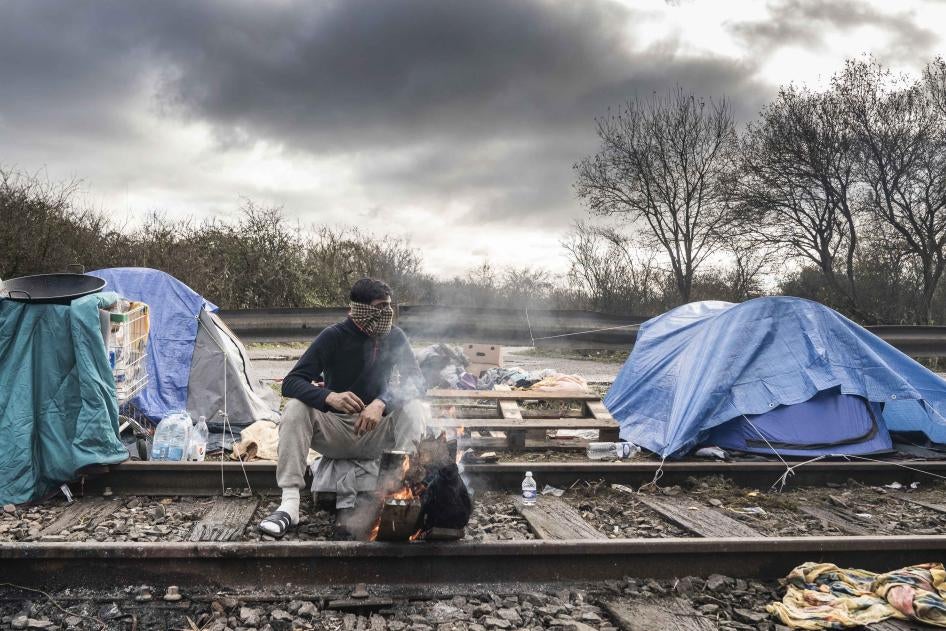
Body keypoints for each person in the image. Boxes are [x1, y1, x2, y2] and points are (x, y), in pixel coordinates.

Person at [258, 278, 428, 537]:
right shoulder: (333, 336)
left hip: (376, 431)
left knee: (415, 408)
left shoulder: (395, 336)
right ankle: (289, 505)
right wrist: (328, 397)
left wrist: (382, 403)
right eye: (380, 307)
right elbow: (291, 383)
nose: (387, 313)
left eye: (390, 306)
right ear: (360, 309)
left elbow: (417, 382)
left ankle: (401, 495)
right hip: (336, 429)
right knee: (295, 409)